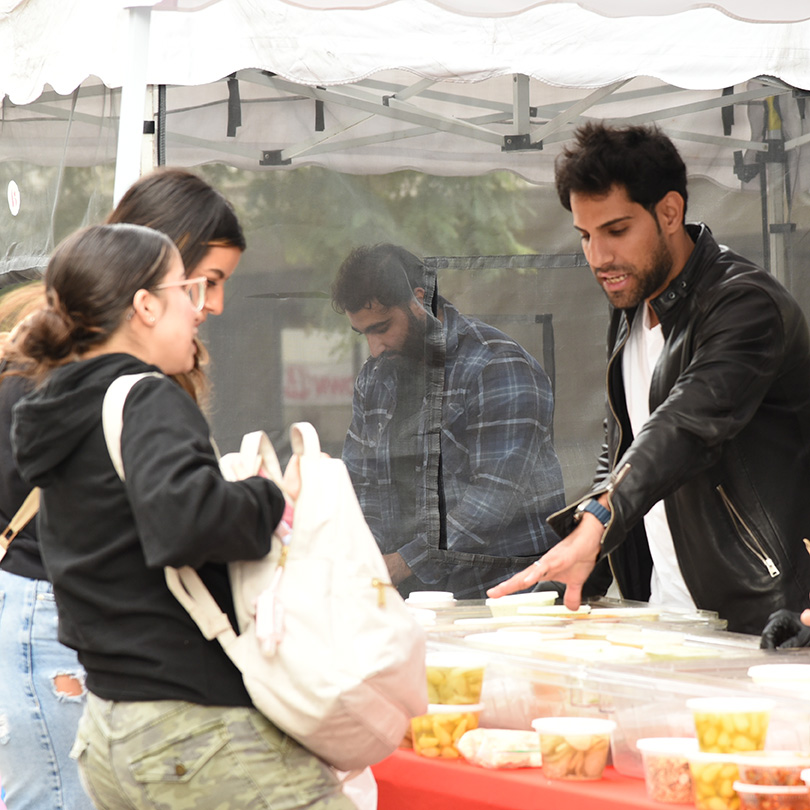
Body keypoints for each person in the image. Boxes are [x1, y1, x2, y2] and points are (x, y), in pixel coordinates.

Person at [8, 223, 354, 809]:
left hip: (110, 726)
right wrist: (267, 498)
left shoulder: (55, 404)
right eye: (188, 291)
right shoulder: (144, 395)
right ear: (145, 305)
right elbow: (185, 521)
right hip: (189, 722)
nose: (201, 311)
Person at [488, 121, 810, 636]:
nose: (599, 258)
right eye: (586, 236)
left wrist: (595, 522)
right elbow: (624, 445)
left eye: (616, 231)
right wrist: (586, 560)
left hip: (761, 617)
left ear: (669, 212)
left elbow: (683, 427)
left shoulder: (747, 304)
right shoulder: (634, 302)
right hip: (666, 613)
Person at [0, 168, 247, 810]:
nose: (212, 306)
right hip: (47, 614)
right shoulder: (57, 356)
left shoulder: (90, 352)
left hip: (61, 616)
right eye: (207, 282)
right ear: (150, 281)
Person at [332, 243, 566, 599]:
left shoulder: (497, 366)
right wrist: (363, 558)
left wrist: (400, 563)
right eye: (363, 333)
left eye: (381, 327)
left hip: (509, 599)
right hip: (412, 600)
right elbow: (360, 485)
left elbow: (491, 501)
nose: (374, 347)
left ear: (420, 299)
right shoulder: (375, 378)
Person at [0, 282, 93, 810]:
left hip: (25, 597)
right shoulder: (37, 391)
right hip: (44, 605)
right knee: (61, 795)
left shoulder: (14, 385)